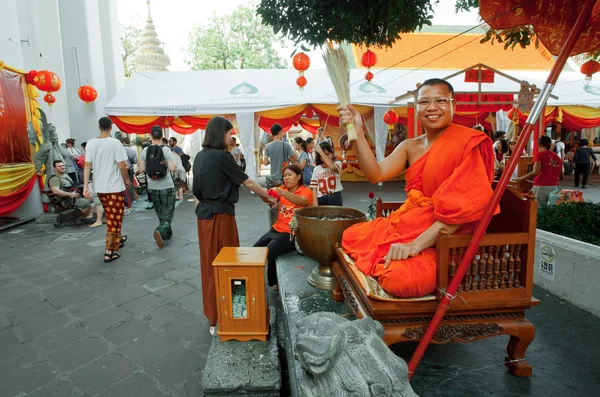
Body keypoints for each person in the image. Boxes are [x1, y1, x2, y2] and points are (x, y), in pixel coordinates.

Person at [337, 78, 496, 298]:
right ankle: (384, 258)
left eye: (440, 100)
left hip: (443, 240)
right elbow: (375, 174)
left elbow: (458, 214)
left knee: (398, 281)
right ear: (416, 107)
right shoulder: (410, 146)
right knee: (350, 235)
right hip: (409, 225)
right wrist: (359, 134)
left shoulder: (467, 144)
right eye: (424, 102)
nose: (432, 107)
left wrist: (413, 246)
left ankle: (388, 263)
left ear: (454, 105)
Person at [193, 116, 276, 336]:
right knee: (228, 263)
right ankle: (227, 314)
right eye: (230, 133)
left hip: (204, 218)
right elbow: (247, 181)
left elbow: (196, 192)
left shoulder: (200, 156)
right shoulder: (222, 156)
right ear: (221, 133)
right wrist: (267, 196)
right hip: (220, 218)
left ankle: (214, 317)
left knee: (209, 265)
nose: (232, 137)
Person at [254, 164, 313, 290]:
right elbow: (269, 199)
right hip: (276, 228)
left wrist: (282, 192)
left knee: (269, 252)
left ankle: (273, 282)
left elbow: (303, 202)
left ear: (298, 176)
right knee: (255, 250)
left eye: (289, 175)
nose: (286, 178)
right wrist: (263, 194)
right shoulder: (282, 188)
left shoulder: (305, 191)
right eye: (284, 176)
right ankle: (253, 279)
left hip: (291, 232)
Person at [83, 117, 131, 263]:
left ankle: (118, 237)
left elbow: (87, 164)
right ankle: (109, 251)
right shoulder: (115, 143)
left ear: (99, 127)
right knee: (114, 218)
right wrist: (127, 179)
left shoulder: (91, 143)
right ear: (111, 127)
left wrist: (85, 186)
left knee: (112, 215)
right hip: (114, 186)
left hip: (100, 187)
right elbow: (122, 165)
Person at [137, 126, 178, 247]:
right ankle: (160, 231)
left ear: (151, 136)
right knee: (168, 212)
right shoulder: (166, 150)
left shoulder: (145, 151)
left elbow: (141, 169)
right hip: (167, 186)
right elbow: (172, 168)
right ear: (161, 136)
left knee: (160, 212)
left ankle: (167, 233)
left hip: (153, 187)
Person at [44, 160, 95, 224]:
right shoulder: (54, 178)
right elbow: (56, 191)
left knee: (95, 198)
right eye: (59, 166)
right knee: (86, 202)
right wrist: (72, 194)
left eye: (63, 165)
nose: (62, 167)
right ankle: (85, 217)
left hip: (74, 197)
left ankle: (88, 216)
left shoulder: (65, 176)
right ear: (55, 168)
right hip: (67, 201)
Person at [515, 136, 562, 205]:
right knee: (549, 210)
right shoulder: (558, 158)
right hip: (554, 187)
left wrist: (521, 178)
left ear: (539, 145)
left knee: (538, 209)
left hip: (541, 187)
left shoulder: (539, 155)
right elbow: (561, 176)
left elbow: (535, 172)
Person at [263, 124, 298, 188]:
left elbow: (265, 163)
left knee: (274, 196)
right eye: (282, 132)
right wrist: (295, 148)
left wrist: (272, 160)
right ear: (279, 132)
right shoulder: (286, 145)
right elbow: (295, 158)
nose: (283, 134)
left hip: (272, 179)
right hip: (283, 178)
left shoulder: (267, 146)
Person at [310, 141, 343, 206]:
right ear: (320, 158)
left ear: (332, 153)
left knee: (337, 215)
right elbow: (314, 188)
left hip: (336, 197)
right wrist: (315, 204)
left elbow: (332, 167)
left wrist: (321, 152)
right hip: (321, 198)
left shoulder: (338, 163)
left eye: (328, 154)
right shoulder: (316, 169)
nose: (326, 157)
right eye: (323, 155)